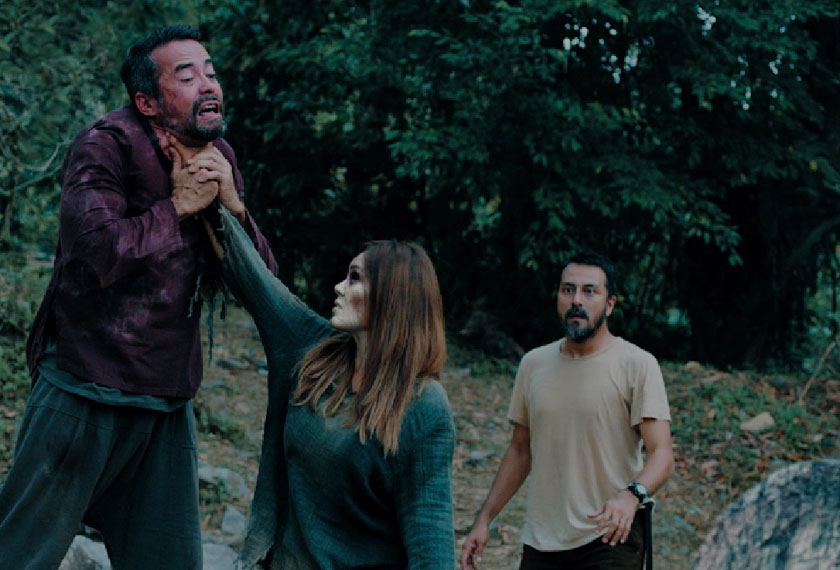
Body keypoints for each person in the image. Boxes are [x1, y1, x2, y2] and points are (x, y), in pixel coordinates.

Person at [0, 25, 277, 570]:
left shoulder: (217, 155)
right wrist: (176, 209)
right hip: (84, 389)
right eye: (188, 76)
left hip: (166, 403)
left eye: (211, 72)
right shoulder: (104, 145)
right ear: (147, 101)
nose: (209, 85)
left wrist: (234, 209)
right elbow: (91, 257)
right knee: (20, 557)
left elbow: (261, 287)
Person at [201, 207, 455, 570]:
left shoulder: (423, 406)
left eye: (355, 279)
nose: (339, 287)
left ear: (392, 297)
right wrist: (219, 204)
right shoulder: (314, 350)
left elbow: (431, 543)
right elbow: (255, 281)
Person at [460, 252, 674, 570]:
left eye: (589, 291)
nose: (576, 300)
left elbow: (662, 454)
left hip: (610, 535)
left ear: (610, 304)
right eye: (568, 290)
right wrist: (484, 519)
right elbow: (520, 450)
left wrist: (631, 496)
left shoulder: (637, 364)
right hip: (543, 540)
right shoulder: (534, 364)